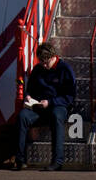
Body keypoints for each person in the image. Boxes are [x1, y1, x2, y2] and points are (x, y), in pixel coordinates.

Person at [15, 40, 76, 171]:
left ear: (53, 57)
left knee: (56, 116)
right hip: (39, 107)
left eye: (46, 62)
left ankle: (57, 161)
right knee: (22, 116)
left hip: (58, 106)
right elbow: (30, 89)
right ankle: (20, 160)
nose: (43, 65)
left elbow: (69, 96)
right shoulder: (38, 70)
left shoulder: (65, 70)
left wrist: (51, 102)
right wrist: (29, 96)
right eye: (41, 62)